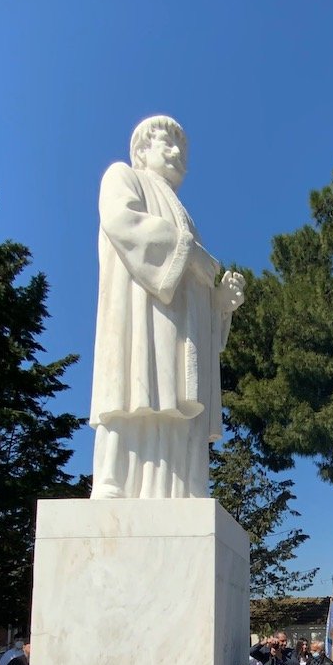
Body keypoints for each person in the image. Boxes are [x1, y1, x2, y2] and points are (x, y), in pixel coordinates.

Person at [89, 115, 246, 499]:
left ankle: (179, 487)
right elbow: (121, 221)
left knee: (177, 403)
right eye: (168, 144)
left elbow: (196, 286)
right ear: (142, 149)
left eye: (184, 149)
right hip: (140, 319)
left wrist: (220, 304)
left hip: (180, 332)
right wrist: (190, 253)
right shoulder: (123, 176)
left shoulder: (184, 214)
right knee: (131, 392)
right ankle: (114, 481)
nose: (178, 154)